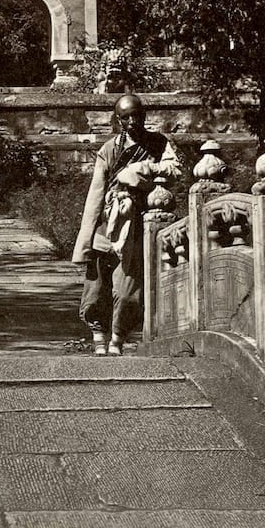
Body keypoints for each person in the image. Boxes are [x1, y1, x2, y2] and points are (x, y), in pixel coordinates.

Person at [72, 93, 183, 356]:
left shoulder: (158, 144)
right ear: (119, 121)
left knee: (127, 287)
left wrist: (143, 169)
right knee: (96, 286)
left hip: (136, 223)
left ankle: (118, 337)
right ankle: (98, 333)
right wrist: (85, 241)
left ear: (144, 116)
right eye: (126, 117)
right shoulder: (109, 149)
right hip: (106, 222)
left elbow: (174, 170)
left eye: (137, 116)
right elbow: (95, 195)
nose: (133, 122)